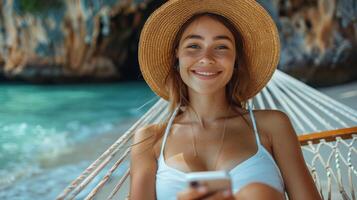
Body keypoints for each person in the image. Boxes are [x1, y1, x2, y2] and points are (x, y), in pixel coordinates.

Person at [130, 0, 321, 199]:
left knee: (256, 193)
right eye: (194, 45)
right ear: (176, 55)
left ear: (235, 59)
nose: (206, 58)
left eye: (221, 47)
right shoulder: (149, 140)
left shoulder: (272, 126)